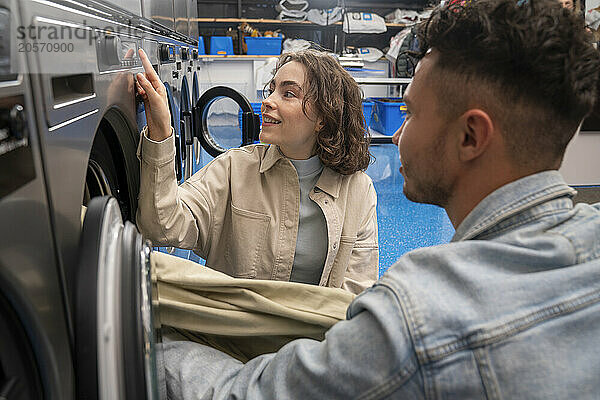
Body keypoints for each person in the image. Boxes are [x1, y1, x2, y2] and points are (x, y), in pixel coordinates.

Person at [159, 0, 600, 398]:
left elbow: (243, 394)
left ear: (470, 136)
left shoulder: (419, 314)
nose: (396, 132)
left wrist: (147, 340)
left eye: (409, 113)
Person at [135, 49, 379, 294]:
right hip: (240, 329)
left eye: (288, 94)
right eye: (272, 89)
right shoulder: (234, 169)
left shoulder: (358, 189)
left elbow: (358, 289)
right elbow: (161, 226)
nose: (268, 101)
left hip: (322, 330)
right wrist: (161, 131)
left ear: (323, 118)